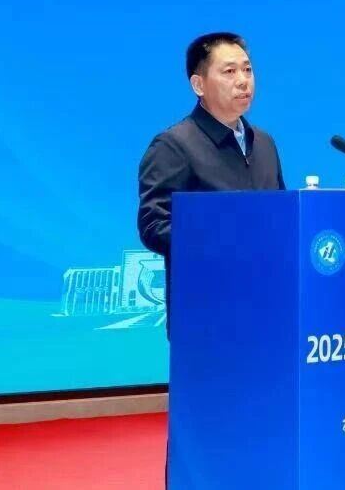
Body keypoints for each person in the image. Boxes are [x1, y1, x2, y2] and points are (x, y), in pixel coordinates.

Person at [136, 32, 285, 487]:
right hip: (208, 320)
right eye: (229, 71)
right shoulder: (174, 145)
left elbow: (280, 217)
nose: (243, 80)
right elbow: (153, 223)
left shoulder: (264, 143)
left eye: (248, 69)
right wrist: (222, 244)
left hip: (266, 317)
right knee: (207, 437)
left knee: (260, 430)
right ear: (199, 84)